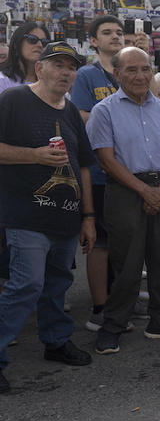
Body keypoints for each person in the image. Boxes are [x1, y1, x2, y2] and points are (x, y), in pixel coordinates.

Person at [0, 42, 96, 394]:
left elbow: (82, 165)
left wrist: (88, 215)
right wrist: (34, 156)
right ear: (40, 69)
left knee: (58, 284)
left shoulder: (70, 111)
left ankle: (56, 341)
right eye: (58, 65)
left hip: (66, 218)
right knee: (26, 285)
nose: (66, 72)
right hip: (25, 215)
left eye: (71, 67)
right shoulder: (13, 101)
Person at [87, 46, 160, 354]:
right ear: (117, 74)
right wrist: (146, 192)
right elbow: (106, 160)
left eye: (145, 69)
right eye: (131, 70)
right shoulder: (104, 110)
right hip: (125, 190)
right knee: (127, 262)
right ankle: (113, 324)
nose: (139, 75)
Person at [70, 14, 127, 331]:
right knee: (101, 241)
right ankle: (100, 306)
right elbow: (81, 116)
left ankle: (122, 297)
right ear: (93, 40)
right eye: (107, 32)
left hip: (130, 169)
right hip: (100, 170)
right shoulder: (86, 75)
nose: (115, 36)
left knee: (125, 240)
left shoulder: (128, 70)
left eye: (119, 32)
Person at [0, 22, 51, 91]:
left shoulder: (51, 84)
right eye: (32, 39)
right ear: (16, 44)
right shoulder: (3, 81)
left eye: (44, 42)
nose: (40, 45)